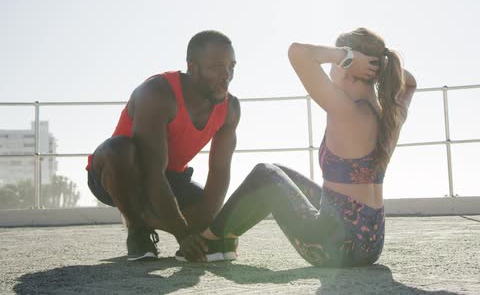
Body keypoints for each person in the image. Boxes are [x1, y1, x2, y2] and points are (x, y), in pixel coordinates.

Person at [192, 28, 417, 267]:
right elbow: (410, 83)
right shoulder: (392, 116)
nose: (331, 67)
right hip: (371, 245)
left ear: (347, 67)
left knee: (264, 174)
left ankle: (210, 241)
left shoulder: (345, 109)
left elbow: (297, 53)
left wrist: (346, 56)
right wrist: (380, 64)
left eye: (336, 63)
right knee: (279, 172)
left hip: (334, 247)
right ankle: (225, 237)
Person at [86, 30, 241, 261]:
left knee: (209, 216)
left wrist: (205, 230)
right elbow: (151, 171)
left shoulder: (230, 108)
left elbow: (219, 173)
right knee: (119, 148)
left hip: (171, 177)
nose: (226, 75)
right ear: (193, 67)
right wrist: (183, 234)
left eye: (231, 66)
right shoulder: (157, 93)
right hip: (120, 173)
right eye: (217, 67)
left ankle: (148, 216)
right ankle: (138, 229)